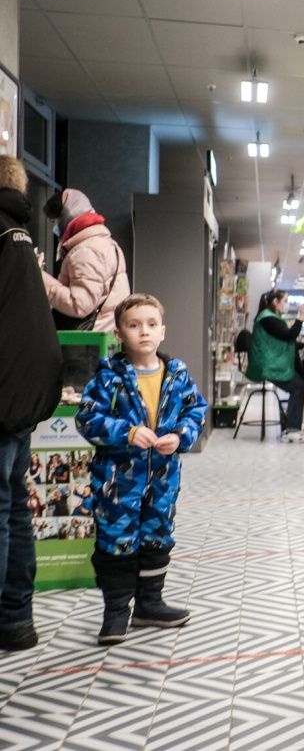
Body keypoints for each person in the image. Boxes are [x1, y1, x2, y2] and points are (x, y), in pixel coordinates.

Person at [76, 293, 208, 645]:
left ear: (162, 331)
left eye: (151, 325)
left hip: (163, 479)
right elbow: (87, 419)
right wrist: (128, 433)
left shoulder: (177, 374)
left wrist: (180, 436)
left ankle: (150, 603)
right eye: (134, 326)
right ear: (119, 334)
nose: (144, 332)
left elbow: (196, 411)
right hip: (117, 480)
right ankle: (116, 612)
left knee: (157, 536)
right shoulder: (109, 377)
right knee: (116, 541)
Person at [0, 155, 63, 651]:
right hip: (25, 388)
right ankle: (16, 618)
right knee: (15, 504)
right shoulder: (20, 234)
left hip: (4, 387)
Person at [42, 188, 131, 332]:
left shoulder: (87, 250)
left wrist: (42, 278)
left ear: (66, 217)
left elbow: (80, 305)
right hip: (103, 334)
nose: (55, 228)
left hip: (89, 339)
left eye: (55, 221)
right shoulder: (102, 243)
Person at [246, 290, 304, 442]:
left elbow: (285, 340)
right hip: (271, 365)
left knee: (300, 383)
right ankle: (291, 430)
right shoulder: (267, 319)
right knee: (298, 388)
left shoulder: (270, 318)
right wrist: (301, 316)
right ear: (276, 301)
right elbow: (289, 335)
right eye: (285, 301)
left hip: (274, 363)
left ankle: (291, 425)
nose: (287, 304)